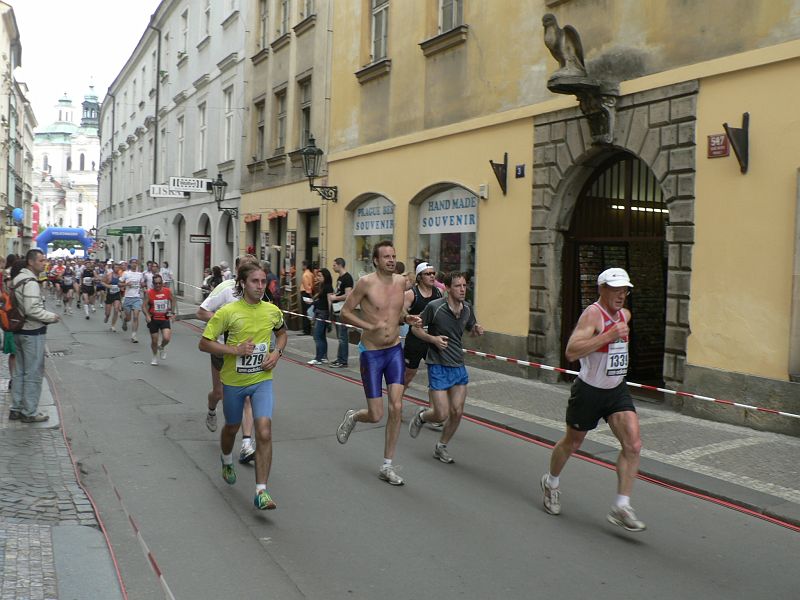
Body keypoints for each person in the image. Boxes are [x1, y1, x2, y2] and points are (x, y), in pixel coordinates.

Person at [540, 267, 646, 532]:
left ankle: (621, 505)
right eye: (616, 290)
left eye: (625, 290)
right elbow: (571, 352)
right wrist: (608, 336)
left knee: (633, 444)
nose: (621, 295)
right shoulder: (592, 315)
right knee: (572, 443)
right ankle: (551, 481)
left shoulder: (625, 314)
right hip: (589, 390)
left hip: (616, 390)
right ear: (602, 289)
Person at [199, 262, 288, 510]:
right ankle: (226, 459)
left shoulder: (272, 311)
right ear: (242, 283)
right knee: (231, 428)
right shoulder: (227, 312)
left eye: (263, 282)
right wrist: (234, 350)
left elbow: (282, 334)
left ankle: (262, 491)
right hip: (234, 383)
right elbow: (204, 343)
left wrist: (277, 353)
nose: (260, 286)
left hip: (261, 380)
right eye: (254, 282)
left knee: (264, 431)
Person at [335, 241, 422, 486]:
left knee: (397, 407)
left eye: (394, 256)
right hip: (372, 353)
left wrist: (408, 318)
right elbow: (345, 311)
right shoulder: (366, 283)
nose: (392, 260)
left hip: (394, 350)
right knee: (376, 414)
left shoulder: (401, 283)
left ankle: (387, 465)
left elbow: (396, 313)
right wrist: (368, 325)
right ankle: (354, 417)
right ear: (376, 260)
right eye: (386, 257)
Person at [407, 272, 483, 463]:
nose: (463, 289)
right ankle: (422, 416)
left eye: (464, 285)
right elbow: (416, 328)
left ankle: (441, 447)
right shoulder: (435, 307)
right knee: (441, 414)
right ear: (447, 288)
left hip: (457, 364)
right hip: (438, 364)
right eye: (458, 286)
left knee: (457, 411)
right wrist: (433, 339)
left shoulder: (467, 308)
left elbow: (470, 329)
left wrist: (477, 330)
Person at [196, 254, 259, 464]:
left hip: (247, 353)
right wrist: (223, 321)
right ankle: (211, 409)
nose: (250, 269)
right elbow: (201, 312)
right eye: (246, 266)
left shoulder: (258, 290)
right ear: (237, 270)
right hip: (223, 349)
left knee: (248, 397)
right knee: (219, 392)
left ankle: (247, 445)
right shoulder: (225, 288)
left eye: (253, 265)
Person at [9, 249, 60, 422]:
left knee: (20, 372)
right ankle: (29, 411)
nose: (44, 263)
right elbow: (32, 309)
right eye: (41, 260)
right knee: (33, 373)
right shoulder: (30, 281)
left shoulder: (17, 279)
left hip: (18, 330)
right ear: (31, 262)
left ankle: (16, 408)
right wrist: (51, 317)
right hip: (32, 331)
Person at [328, 258, 353, 368]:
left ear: (339, 265)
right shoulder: (340, 277)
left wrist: (335, 297)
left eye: (334, 265)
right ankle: (339, 358)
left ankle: (343, 360)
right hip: (336, 308)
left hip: (342, 309)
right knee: (340, 336)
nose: (333, 267)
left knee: (343, 336)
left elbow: (348, 295)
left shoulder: (347, 278)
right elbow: (340, 291)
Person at [142, 274, 173, 366]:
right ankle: (154, 357)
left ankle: (161, 347)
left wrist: (173, 312)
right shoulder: (149, 292)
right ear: (153, 284)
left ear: (162, 283)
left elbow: (173, 300)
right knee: (154, 340)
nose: (158, 285)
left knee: (166, 338)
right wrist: (147, 315)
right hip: (153, 319)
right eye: (156, 283)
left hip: (164, 318)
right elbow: (143, 306)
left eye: (160, 283)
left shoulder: (167, 291)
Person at [308, 268, 333, 365]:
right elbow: (321, 299)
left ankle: (318, 358)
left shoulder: (328, 287)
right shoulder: (322, 286)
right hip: (320, 312)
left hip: (323, 314)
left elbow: (329, 302)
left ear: (325, 277)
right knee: (321, 336)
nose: (318, 277)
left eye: (320, 276)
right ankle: (324, 357)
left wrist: (330, 318)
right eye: (317, 275)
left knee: (317, 335)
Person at [119, 258, 144, 343]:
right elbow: (119, 284)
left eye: (135, 263)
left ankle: (134, 335)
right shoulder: (126, 273)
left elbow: (142, 284)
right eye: (133, 263)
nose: (134, 264)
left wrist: (142, 285)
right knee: (128, 318)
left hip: (136, 298)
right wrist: (126, 284)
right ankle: (125, 321)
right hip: (128, 298)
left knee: (136, 317)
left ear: (137, 264)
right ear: (130, 264)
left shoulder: (140, 274)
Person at [104, 262, 123, 332]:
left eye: (118, 267)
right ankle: (107, 316)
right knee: (108, 313)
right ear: (113, 268)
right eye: (115, 267)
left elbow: (122, 283)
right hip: (109, 295)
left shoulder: (120, 276)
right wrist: (108, 286)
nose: (117, 269)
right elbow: (102, 282)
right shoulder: (109, 275)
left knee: (116, 309)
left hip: (117, 295)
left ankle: (113, 325)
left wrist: (122, 286)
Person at [300, 261, 314, 335]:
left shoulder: (305, 275)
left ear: (305, 266)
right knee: (309, 311)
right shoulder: (311, 274)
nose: (301, 267)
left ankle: (306, 330)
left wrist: (310, 295)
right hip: (309, 293)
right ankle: (308, 329)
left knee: (305, 311)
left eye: (302, 265)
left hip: (305, 293)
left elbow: (307, 286)